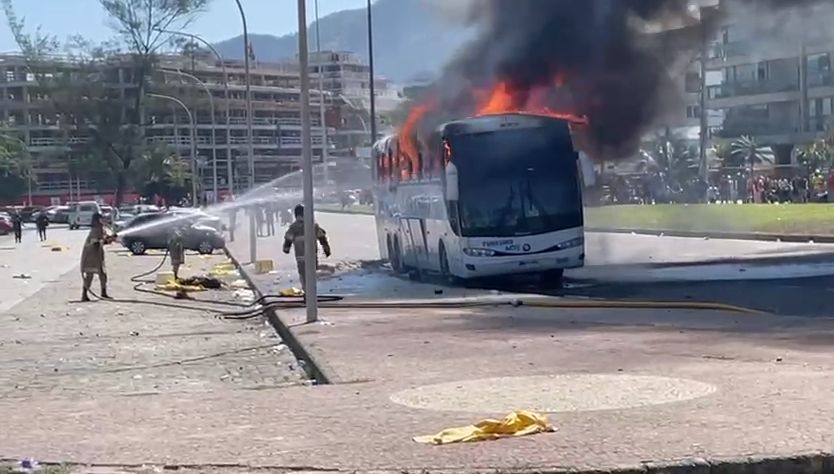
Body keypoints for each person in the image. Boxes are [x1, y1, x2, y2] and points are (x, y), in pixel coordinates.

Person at [282, 203, 331, 294]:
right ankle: (312, 293)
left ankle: (306, 292)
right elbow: (322, 238)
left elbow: (288, 239)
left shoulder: (294, 227)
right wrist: (326, 250)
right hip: (312, 256)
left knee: (303, 275)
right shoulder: (313, 225)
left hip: (301, 257)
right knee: (312, 275)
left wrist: (286, 248)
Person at [80, 212, 115, 301]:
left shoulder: (101, 229)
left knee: (103, 274)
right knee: (90, 275)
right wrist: (106, 240)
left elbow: (102, 240)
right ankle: (84, 295)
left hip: (98, 255)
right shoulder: (95, 230)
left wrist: (110, 238)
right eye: (101, 218)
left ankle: (103, 293)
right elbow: (96, 243)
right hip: (91, 255)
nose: (103, 220)